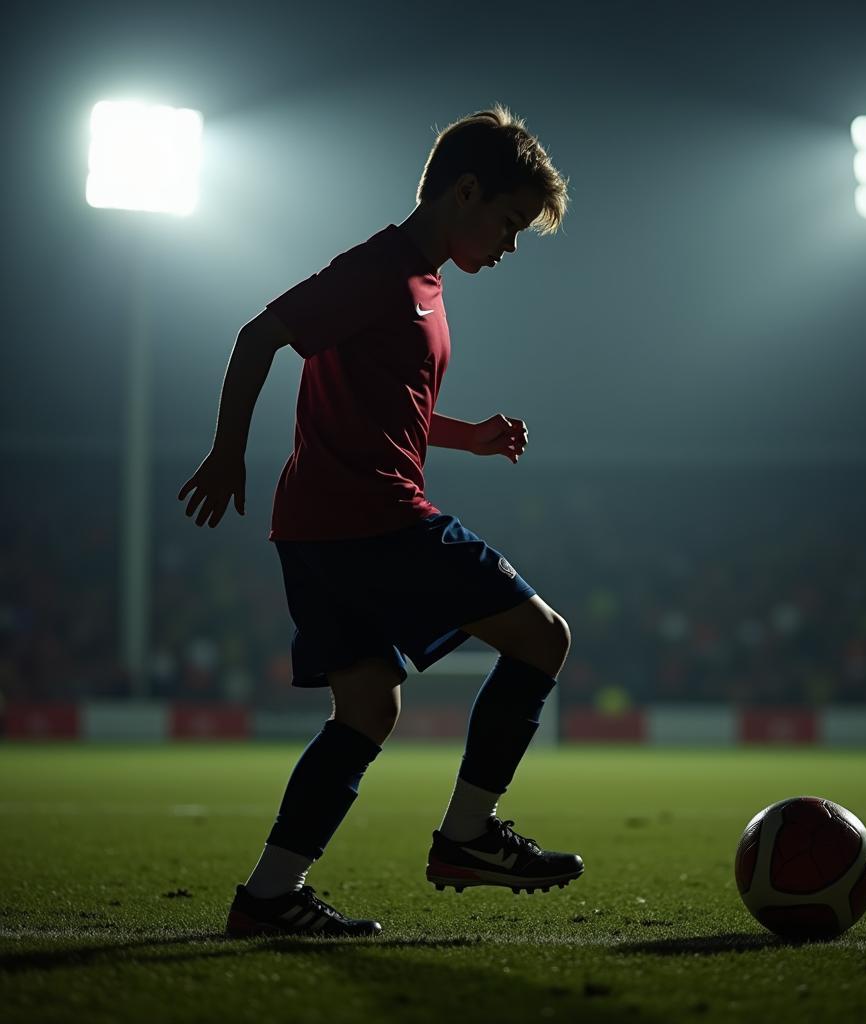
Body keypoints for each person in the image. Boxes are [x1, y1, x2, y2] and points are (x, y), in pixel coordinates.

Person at [177, 104, 583, 938]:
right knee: (544, 639)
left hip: (317, 529)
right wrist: (227, 453)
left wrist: (462, 435)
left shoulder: (422, 285)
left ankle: (267, 899)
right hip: (374, 518)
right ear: (464, 191)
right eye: (507, 223)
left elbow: (387, 405)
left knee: (365, 711)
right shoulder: (380, 269)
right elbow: (261, 336)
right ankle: (468, 836)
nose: (507, 246)